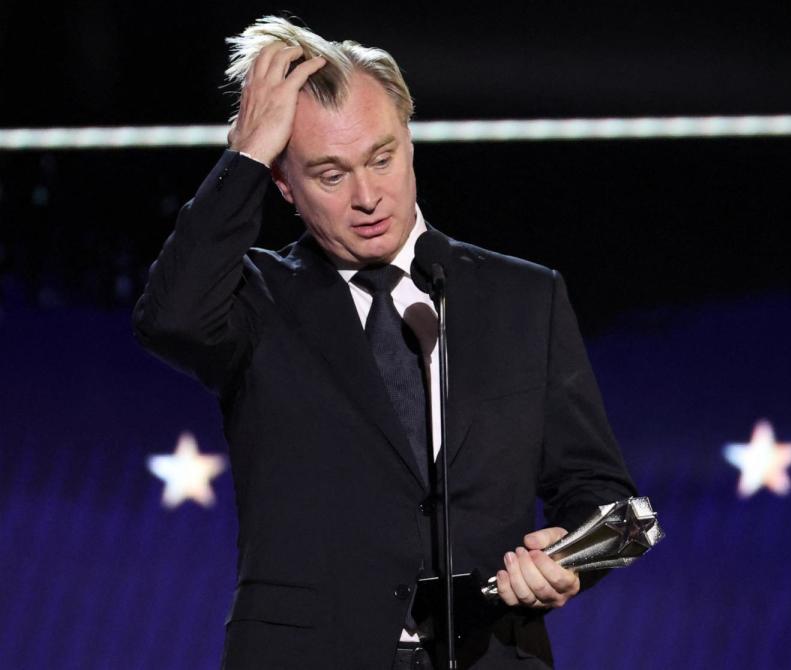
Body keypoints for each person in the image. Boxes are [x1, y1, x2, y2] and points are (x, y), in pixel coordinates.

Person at [134, 15, 636, 670]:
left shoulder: (524, 297)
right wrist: (248, 152)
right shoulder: (256, 300)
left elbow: (608, 502)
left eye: (382, 158)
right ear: (284, 184)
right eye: (330, 175)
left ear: (409, 143)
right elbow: (168, 318)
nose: (368, 197)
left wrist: (568, 562)